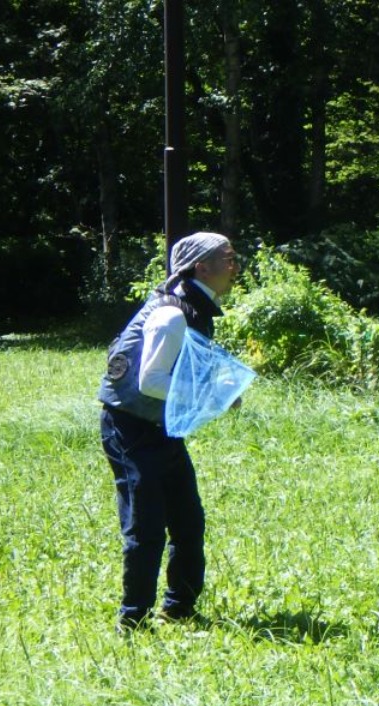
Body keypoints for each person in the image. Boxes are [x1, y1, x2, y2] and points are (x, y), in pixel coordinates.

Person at [98, 232, 241, 631]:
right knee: (146, 529)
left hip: (162, 427)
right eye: (227, 258)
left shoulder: (195, 306)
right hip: (131, 429)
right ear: (201, 267)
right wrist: (211, 393)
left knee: (188, 521)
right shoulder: (173, 314)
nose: (234, 267)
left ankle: (179, 609)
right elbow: (150, 381)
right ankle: (134, 622)